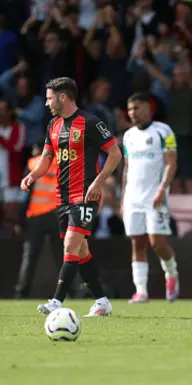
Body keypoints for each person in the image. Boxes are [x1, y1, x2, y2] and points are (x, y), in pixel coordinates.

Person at [21, 77, 122, 317]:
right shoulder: (53, 125)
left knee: (70, 245)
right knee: (80, 250)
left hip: (86, 193)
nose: (46, 103)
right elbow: (47, 158)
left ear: (63, 97)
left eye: (49, 98)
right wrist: (32, 176)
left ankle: (56, 301)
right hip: (63, 197)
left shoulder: (90, 122)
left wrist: (99, 182)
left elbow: (115, 153)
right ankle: (102, 301)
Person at [122, 92, 180, 304]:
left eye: (136, 108)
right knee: (137, 243)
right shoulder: (128, 136)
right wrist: (122, 199)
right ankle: (141, 292)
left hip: (155, 197)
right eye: (130, 109)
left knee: (157, 243)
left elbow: (171, 163)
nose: (133, 113)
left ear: (149, 107)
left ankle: (171, 272)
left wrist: (162, 190)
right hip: (132, 198)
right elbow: (126, 169)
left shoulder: (163, 132)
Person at [14, 139, 63, 298]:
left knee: (30, 257)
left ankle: (21, 292)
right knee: (62, 256)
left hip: (36, 216)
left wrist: (19, 219)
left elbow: (24, 194)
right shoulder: (60, 163)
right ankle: (69, 291)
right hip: (57, 215)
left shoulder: (32, 163)